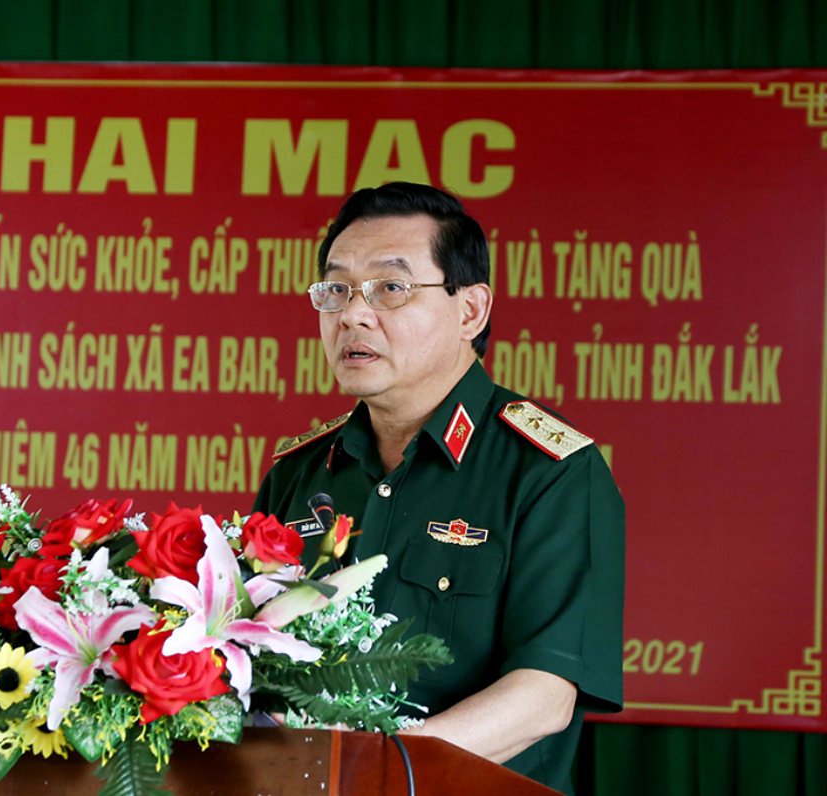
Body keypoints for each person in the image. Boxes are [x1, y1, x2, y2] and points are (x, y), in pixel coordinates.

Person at [252, 182, 624, 793]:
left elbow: (544, 696)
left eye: (391, 288)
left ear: (470, 311)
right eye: (337, 289)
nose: (352, 314)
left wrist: (370, 775)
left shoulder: (552, 471)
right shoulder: (298, 472)